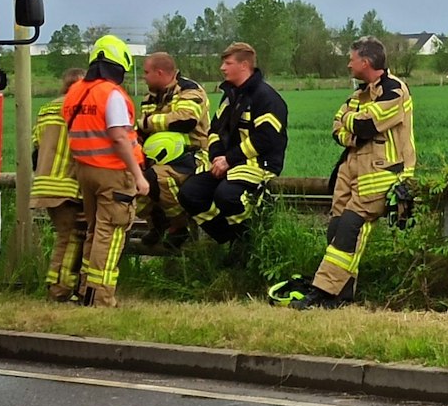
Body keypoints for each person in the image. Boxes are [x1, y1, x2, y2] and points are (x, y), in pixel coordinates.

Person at [275, 37, 415, 309]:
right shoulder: (358, 95)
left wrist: (354, 123)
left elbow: (366, 125)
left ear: (366, 61)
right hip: (349, 173)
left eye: (351, 58)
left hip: (380, 174)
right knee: (336, 230)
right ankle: (342, 296)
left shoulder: (395, 90)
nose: (348, 63)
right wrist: (354, 127)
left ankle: (323, 292)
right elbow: (337, 129)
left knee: (351, 229)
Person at [62, 35, 149, 306]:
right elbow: (119, 136)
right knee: (110, 234)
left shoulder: (76, 91)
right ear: (119, 64)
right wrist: (138, 176)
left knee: (94, 230)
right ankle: (100, 297)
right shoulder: (110, 94)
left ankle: (85, 290)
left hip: (85, 171)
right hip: (113, 171)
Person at [178, 42, 288, 246]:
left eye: (228, 63)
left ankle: (248, 241)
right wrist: (217, 157)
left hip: (259, 163)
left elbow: (266, 138)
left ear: (244, 65)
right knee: (189, 194)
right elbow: (214, 130)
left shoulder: (266, 98)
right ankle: (232, 238)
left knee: (226, 196)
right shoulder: (230, 96)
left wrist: (229, 159)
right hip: (228, 163)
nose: (222, 68)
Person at [137, 52, 212, 249]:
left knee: (160, 179)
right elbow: (144, 131)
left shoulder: (189, 90)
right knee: (137, 185)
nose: (143, 77)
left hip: (192, 155)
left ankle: (179, 227)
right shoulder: (149, 98)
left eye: (146, 72)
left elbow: (184, 120)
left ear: (160, 72)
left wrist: (148, 122)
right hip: (159, 155)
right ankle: (157, 225)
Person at [33, 65, 88, 302]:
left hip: (45, 183)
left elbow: (36, 145)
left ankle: (62, 286)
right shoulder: (79, 108)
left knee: (64, 237)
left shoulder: (47, 109)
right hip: (67, 184)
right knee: (70, 238)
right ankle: (60, 289)